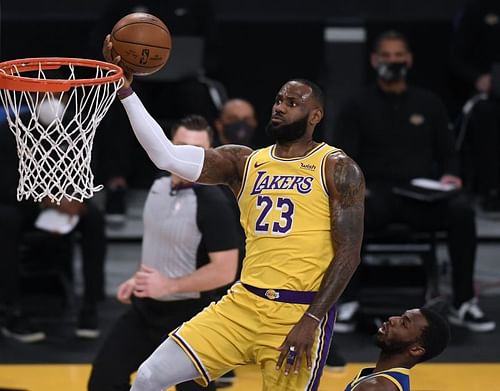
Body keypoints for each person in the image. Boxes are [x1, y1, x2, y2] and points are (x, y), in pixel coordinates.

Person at [104, 36, 366, 391]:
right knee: (150, 376)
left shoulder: (336, 166)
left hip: (298, 313)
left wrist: (313, 319)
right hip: (242, 304)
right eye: (278, 100)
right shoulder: (244, 162)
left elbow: (348, 252)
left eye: (292, 103)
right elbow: (166, 156)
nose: (280, 107)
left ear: (315, 115)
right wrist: (126, 93)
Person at [332, 30, 496, 333]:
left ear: (408, 60)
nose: (393, 62)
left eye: (398, 56)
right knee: (349, 214)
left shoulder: (429, 102)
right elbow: (342, 158)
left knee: (461, 211)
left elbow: (449, 153)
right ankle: (348, 302)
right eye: (386, 56)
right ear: (374, 60)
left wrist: (450, 175)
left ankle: (464, 302)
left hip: (421, 197)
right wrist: (356, 189)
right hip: (375, 197)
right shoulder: (356, 105)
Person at [88, 115, 240, 391]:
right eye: (180, 146)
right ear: (169, 145)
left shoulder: (214, 202)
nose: (187, 158)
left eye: (197, 151)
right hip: (147, 311)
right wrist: (139, 279)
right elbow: (158, 243)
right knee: (104, 382)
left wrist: (169, 285)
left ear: (211, 154)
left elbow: (225, 270)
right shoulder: (158, 185)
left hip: (191, 319)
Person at [90, 0, 221, 223]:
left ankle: (200, 177)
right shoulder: (121, 6)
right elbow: (98, 45)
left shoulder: (197, 7)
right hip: (136, 81)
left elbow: (215, 50)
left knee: (196, 94)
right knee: (119, 98)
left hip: (179, 85)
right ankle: (116, 185)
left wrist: (197, 66)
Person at [0, 107, 106, 342]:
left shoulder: (79, 128)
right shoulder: (10, 129)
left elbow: (90, 173)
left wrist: (78, 198)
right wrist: (48, 201)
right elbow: (6, 184)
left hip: (67, 203)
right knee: (6, 219)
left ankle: (90, 305)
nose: (53, 101)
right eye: (47, 95)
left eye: (59, 95)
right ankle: (11, 310)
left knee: (94, 217)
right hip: (23, 206)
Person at [450, 0, 500, 211]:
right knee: (486, 116)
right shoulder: (478, 10)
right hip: (489, 96)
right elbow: (455, 59)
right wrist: (478, 78)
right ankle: (490, 191)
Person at [344, 307, 450, 391]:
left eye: (403, 323)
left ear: (416, 350)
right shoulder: (378, 379)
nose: (392, 319)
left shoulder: (376, 387)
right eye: (401, 316)